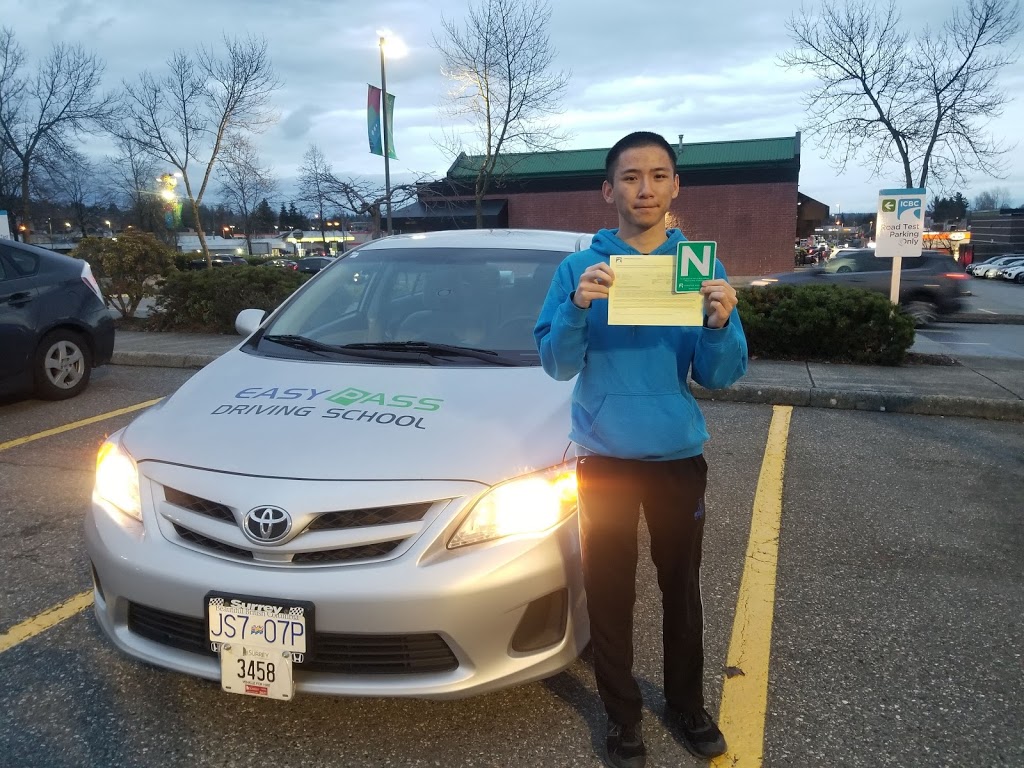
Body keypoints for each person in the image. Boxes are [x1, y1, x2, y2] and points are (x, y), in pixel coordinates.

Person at [533, 131, 747, 768]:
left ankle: (686, 704)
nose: (644, 189)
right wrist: (577, 307)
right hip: (604, 458)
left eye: (657, 176)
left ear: (675, 187)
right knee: (609, 592)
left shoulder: (698, 269)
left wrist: (720, 323)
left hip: (677, 456)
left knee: (681, 589)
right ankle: (623, 718)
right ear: (609, 190)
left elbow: (719, 376)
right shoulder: (579, 269)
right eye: (630, 177)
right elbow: (556, 364)